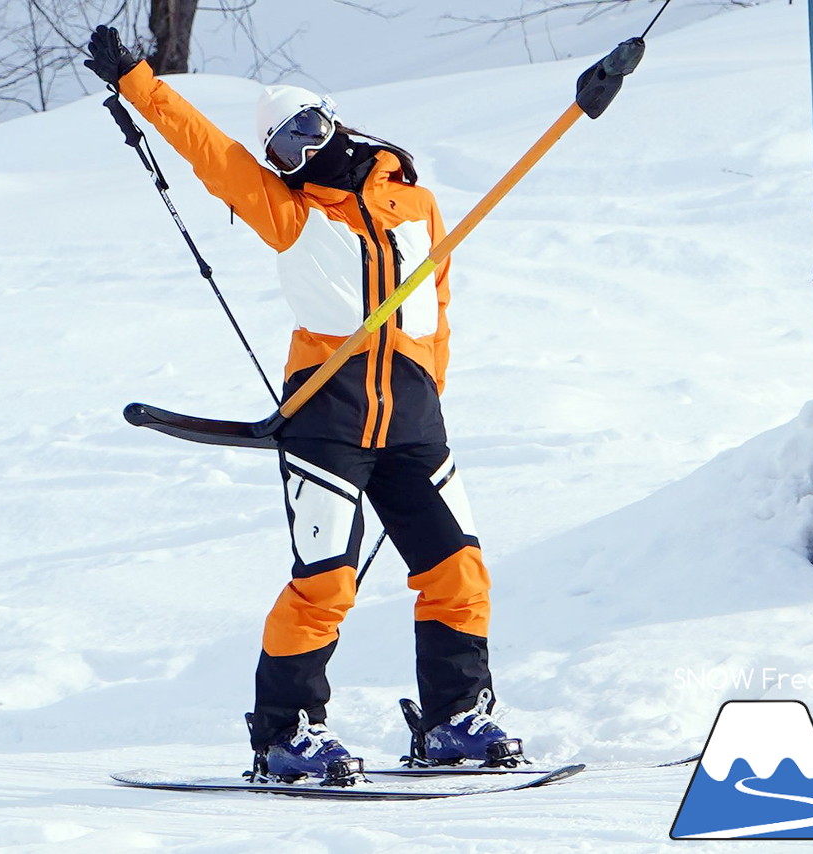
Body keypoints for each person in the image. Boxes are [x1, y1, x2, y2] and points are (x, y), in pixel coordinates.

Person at [85, 25, 521, 780]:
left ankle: (455, 718)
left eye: (309, 128)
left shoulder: (415, 205)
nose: (304, 150)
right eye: (284, 147)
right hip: (329, 417)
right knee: (325, 580)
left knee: (458, 572)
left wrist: (431, 384)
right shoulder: (290, 213)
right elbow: (211, 154)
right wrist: (139, 84)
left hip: (414, 418)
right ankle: (286, 733)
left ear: (334, 117)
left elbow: (438, 300)